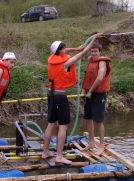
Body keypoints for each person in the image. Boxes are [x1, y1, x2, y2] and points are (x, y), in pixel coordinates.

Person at [41, 33, 103, 165]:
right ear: (59, 51)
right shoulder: (64, 63)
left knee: (50, 124)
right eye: (64, 48)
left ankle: (45, 152)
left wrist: (75, 48)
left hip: (51, 95)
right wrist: (94, 38)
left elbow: (67, 51)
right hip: (59, 96)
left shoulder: (52, 58)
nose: (66, 49)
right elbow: (84, 53)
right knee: (63, 126)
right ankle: (59, 156)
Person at [81, 42, 112, 156]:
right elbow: (86, 77)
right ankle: (91, 142)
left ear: (100, 52)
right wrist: (84, 90)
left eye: (96, 51)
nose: (94, 53)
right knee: (88, 118)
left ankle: (101, 145)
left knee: (99, 120)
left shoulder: (102, 62)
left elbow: (99, 78)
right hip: (89, 94)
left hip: (99, 95)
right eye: (92, 51)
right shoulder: (90, 61)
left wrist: (90, 91)